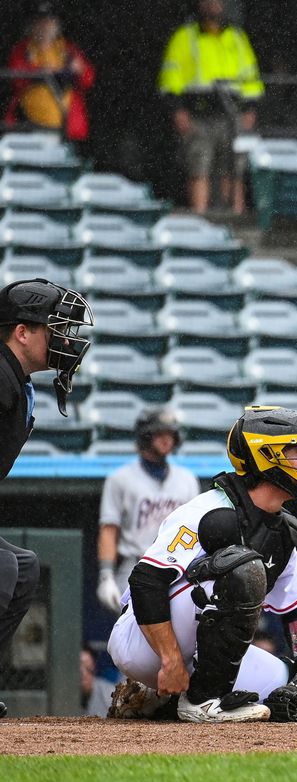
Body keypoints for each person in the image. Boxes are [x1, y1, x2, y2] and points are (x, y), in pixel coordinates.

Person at [106, 406, 297, 723]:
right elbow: (146, 581)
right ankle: (199, 700)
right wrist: (170, 659)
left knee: (290, 689)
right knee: (244, 569)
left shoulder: (282, 529)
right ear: (266, 456)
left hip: (196, 655)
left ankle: (157, 699)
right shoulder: (209, 510)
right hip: (144, 643)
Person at [0, 278, 92, 719]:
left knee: (22, 567)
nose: (64, 340)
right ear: (22, 331)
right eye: (54, 329)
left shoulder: (13, 378)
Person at [159, 0, 264, 214]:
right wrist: (178, 110)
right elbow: (170, 78)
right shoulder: (184, 37)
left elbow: (251, 78)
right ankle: (201, 220)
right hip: (198, 115)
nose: (214, 5)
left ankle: (235, 220)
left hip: (232, 116)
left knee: (233, 170)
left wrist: (250, 109)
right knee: (199, 170)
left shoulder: (236, 37)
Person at [95, 408, 201, 616]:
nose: (166, 440)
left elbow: (196, 531)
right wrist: (106, 575)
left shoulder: (187, 480)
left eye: (170, 434)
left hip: (179, 569)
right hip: (136, 565)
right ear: (146, 436)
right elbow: (109, 529)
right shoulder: (120, 479)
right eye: (159, 434)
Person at [4, 1, 95, 144]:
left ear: (57, 24)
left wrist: (79, 69)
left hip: (63, 128)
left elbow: (88, 79)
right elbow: (16, 78)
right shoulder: (22, 50)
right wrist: (44, 73)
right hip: (29, 126)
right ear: (31, 25)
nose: (45, 26)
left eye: (49, 21)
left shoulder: (68, 50)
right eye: (40, 21)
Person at [81, 647, 116, 718]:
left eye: (89, 670)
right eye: (80, 672)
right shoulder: (59, 695)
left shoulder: (110, 694)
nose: (84, 674)